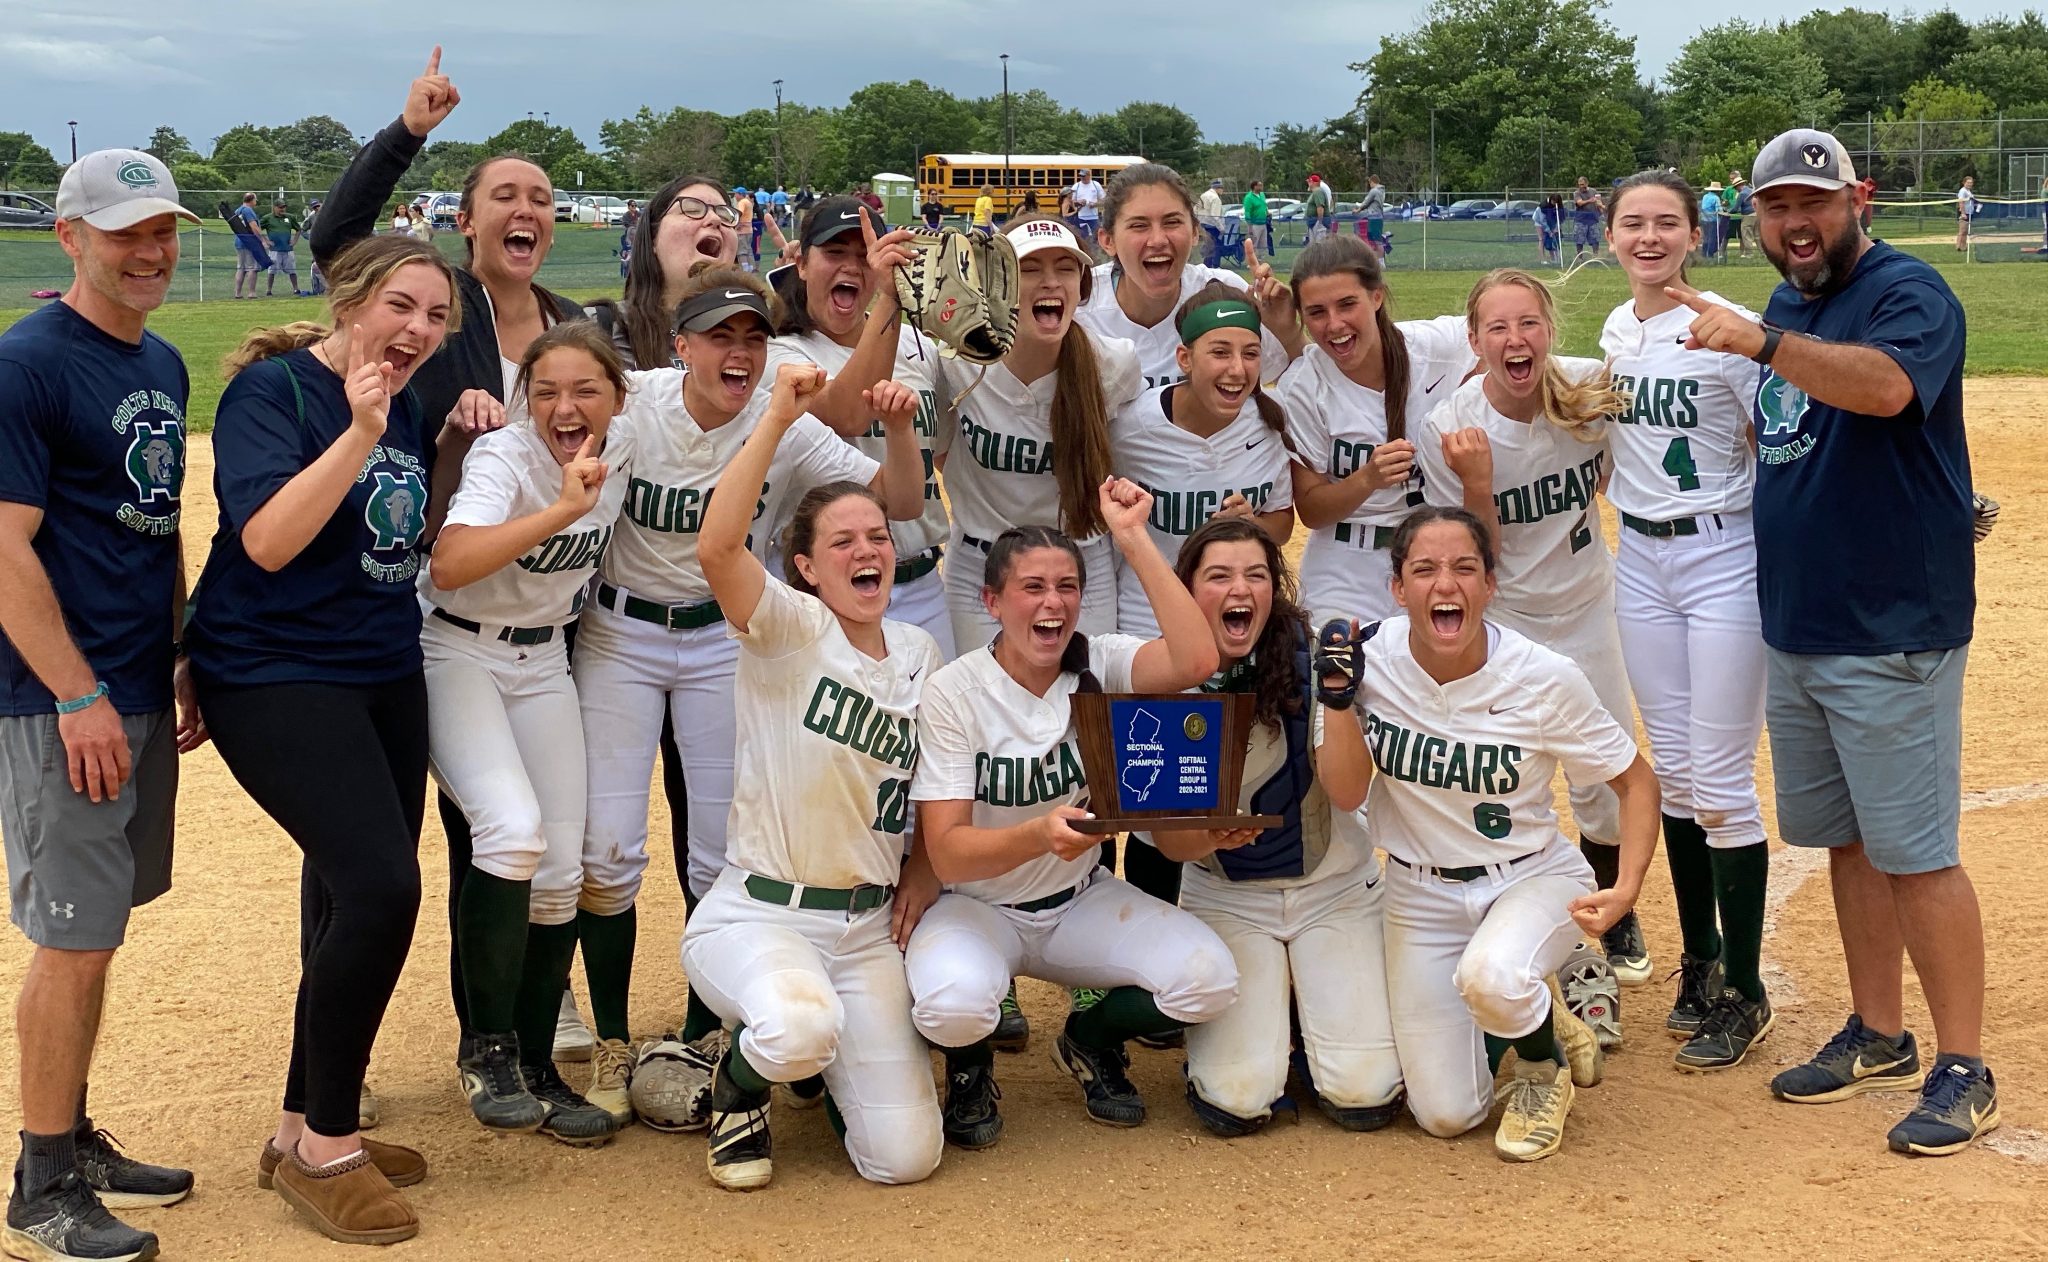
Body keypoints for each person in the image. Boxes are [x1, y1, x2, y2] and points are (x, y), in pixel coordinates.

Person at [1670, 128, 1995, 1156]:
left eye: (1811, 202)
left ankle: (1962, 1063)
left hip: (1891, 624)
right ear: (1753, 214)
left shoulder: (1907, 292)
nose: (1793, 223)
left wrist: (1760, 344)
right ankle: (1877, 1031)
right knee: (1844, 841)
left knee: (1916, 853)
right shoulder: (1784, 302)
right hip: (1800, 622)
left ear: (1856, 198)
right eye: (1774, 206)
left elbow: (1887, 389)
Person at [571, 268, 925, 1131]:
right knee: (607, 849)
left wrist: (898, 429)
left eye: (754, 336)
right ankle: (615, 1038)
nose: (739, 350)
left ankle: (710, 1034)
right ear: (680, 344)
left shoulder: (784, 417)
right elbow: (555, 425)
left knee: (717, 849)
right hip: (621, 631)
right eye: (719, 335)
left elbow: (901, 503)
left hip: (725, 634)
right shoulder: (640, 403)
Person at [311, 45, 594, 1104]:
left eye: (542, 199)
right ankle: (335, 1053)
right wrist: (407, 132)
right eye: (504, 196)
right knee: (420, 838)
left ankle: (509, 1021)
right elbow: (339, 242)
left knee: (522, 842)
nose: (527, 210)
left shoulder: (573, 325)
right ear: (466, 221)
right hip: (420, 598)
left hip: (542, 622)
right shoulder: (439, 306)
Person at [187, 234, 468, 1245]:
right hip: (271, 671)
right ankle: (330, 1148)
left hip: (381, 668)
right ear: (351, 297)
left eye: (435, 318)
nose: (417, 331)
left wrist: (446, 434)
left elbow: (399, 536)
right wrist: (357, 430)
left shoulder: (412, 404)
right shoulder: (275, 395)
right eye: (401, 306)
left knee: (342, 886)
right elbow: (265, 540)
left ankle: (296, 1125)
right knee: (383, 886)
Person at [0, 148, 200, 1262]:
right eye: (126, 231)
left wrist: (174, 654)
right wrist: (74, 689)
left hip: (129, 680)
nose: (152, 250)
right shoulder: (26, 365)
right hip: (55, 695)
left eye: (162, 228)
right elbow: (3, 544)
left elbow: (156, 525)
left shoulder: (162, 362)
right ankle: (39, 1183)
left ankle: (71, 1134)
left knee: (100, 929)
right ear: (69, 237)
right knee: (69, 939)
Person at [905, 485, 1236, 1146]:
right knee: (953, 1005)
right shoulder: (955, 691)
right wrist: (1036, 835)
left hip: (1079, 902)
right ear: (993, 602)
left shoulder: (1100, 660)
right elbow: (946, 853)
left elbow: (1198, 660)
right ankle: (969, 1066)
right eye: (1032, 587)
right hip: (978, 907)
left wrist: (1134, 537)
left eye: (1067, 587)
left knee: (1209, 982)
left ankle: (1089, 1038)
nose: (1052, 602)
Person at [681, 362, 945, 1190]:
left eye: (877, 538)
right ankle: (737, 1087)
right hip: (763, 915)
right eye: (843, 542)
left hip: (867, 932)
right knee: (798, 1025)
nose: (869, 550)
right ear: (805, 568)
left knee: (905, 1161)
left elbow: (941, 782)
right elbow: (719, 547)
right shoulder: (790, 631)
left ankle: (827, 1073)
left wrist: (928, 868)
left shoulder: (918, 652)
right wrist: (776, 420)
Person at [1333, 506, 1658, 1160]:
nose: (1444, 585)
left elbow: (1636, 783)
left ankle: (1541, 1066)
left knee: (1491, 976)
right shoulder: (1369, 657)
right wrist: (1336, 697)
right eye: (1423, 570)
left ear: (1490, 584)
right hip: (1418, 895)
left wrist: (1626, 887)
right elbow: (1345, 792)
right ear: (1398, 590)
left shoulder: (1543, 677)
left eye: (1464, 568)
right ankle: (1544, 1014)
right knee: (1446, 1115)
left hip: (1532, 877)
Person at [1411, 269, 1642, 1046]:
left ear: (1550, 327)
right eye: (1497, 330)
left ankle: (1609, 917)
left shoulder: (1586, 388)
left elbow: (1628, 473)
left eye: (1529, 324)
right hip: (1507, 621)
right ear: (1474, 344)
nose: (1517, 341)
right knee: (1512, 779)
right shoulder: (1453, 425)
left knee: (1606, 786)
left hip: (1586, 609)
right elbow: (1474, 564)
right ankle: (1531, 921)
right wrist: (1478, 482)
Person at [422, 322, 635, 1148]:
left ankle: (540, 1063)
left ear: (618, 399)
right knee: (509, 832)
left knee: (561, 873)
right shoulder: (505, 457)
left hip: (544, 662)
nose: (564, 406)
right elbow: (450, 562)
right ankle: (490, 1050)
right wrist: (559, 510)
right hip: (457, 651)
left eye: (585, 389)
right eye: (545, 391)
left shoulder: (627, 441)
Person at [1598, 171, 1773, 1067]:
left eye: (1667, 222)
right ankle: (1700, 962)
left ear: (1694, 235)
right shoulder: (1616, 329)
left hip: (1721, 554)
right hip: (1642, 558)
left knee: (1721, 780)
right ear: (1612, 236)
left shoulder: (1728, 325)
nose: (1651, 236)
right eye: (1634, 223)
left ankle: (1747, 990)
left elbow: (1778, 443)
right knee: (1671, 771)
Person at [1165, 518, 1404, 1137]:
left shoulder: (1313, 661)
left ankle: (1308, 1016)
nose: (1239, 589)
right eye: (1218, 576)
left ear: (1276, 588)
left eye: (1256, 575)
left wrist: (1338, 698)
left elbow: (1350, 791)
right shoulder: (1163, 673)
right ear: (1188, 590)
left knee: (1365, 1095)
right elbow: (1172, 844)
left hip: (1336, 889)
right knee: (1238, 1100)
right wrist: (1213, 835)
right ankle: (1279, 1019)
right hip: (1227, 894)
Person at [935, 215, 1139, 651]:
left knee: (1084, 705)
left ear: (1082, 285)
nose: (1051, 282)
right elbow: (941, 450)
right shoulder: (958, 360)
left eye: (1066, 268)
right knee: (982, 703)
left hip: (1080, 562)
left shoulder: (1113, 364)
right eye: (1029, 269)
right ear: (998, 286)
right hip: (981, 562)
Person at [765, 199, 953, 656]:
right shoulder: (780, 354)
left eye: (864, 255)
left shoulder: (916, 346)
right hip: (826, 591)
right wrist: (890, 296)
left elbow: (944, 451)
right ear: (801, 264)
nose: (853, 266)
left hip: (921, 581)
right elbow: (849, 412)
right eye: (834, 253)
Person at [1273, 235, 1475, 627]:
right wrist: (1367, 478)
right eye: (1316, 312)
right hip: (1345, 564)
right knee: (1337, 677)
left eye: (1347, 304)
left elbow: (1503, 337)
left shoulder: (1434, 348)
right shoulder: (1303, 385)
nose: (1334, 325)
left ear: (1376, 297)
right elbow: (1311, 510)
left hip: (1431, 554)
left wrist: (1479, 386)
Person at [1108, 283, 1297, 641]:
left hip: (1236, 618)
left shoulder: (1271, 423)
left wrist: (1253, 524)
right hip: (1147, 615)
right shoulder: (1131, 426)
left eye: (1251, 353)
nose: (1238, 369)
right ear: (1185, 358)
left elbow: (1283, 522)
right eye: (1220, 353)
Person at [1079, 164, 1295, 393]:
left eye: (1172, 222)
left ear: (1194, 232)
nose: (1158, 240)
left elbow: (1309, 384)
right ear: (1108, 240)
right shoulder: (1080, 302)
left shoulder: (1224, 294)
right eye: (1139, 225)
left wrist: (1288, 333)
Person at [261, 199, 304, 296]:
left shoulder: (290, 217)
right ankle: (269, 290)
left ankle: (296, 289)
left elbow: (298, 229)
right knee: (272, 270)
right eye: (280, 207)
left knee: (292, 270)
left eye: (284, 207)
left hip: (288, 249)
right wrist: (266, 241)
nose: (282, 209)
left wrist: (294, 241)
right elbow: (257, 229)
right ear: (275, 207)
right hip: (274, 250)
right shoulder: (267, 218)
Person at [234, 191, 266, 299]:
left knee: (241, 268)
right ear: (251, 200)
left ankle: (237, 293)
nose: (256, 202)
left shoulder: (238, 210)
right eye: (255, 200)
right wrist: (262, 240)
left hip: (239, 241)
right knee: (252, 268)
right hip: (249, 242)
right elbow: (254, 226)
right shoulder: (248, 210)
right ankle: (251, 293)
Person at [1571, 178, 1603, 261]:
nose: (1581, 186)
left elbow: (1598, 202)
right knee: (1579, 240)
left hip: (1593, 220)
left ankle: (1595, 257)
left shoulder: (1593, 191)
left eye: (1582, 184)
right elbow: (1579, 203)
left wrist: (1600, 209)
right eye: (1579, 184)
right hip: (1581, 220)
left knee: (1595, 239)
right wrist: (1590, 200)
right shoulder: (1577, 193)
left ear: (1587, 183)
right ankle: (1580, 258)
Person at [1197, 178, 1227, 266]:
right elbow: (1215, 216)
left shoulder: (1203, 195)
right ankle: (1215, 266)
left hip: (1202, 224)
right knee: (1215, 247)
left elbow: (1196, 210)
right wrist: (1222, 228)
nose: (1222, 190)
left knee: (1208, 246)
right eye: (1221, 188)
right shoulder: (1215, 198)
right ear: (1217, 188)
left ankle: (1207, 265)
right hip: (1212, 226)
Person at [1071, 169, 1104, 247]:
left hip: (1094, 217)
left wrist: (1095, 204)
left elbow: (1104, 200)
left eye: (1084, 176)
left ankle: (1095, 254)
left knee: (1095, 238)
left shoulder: (1096, 185)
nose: (1082, 178)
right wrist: (1079, 202)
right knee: (1083, 238)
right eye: (1081, 176)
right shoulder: (1076, 186)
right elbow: (1071, 201)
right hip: (1081, 217)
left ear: (1089, 175)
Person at [1242, 180, 1273, 259]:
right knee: (1254, 243)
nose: (1261, 187)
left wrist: (1267, 212)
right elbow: (1247, 211)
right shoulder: (1249, 198)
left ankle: (1260, 260)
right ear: (1254, 186)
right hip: (1254, 224)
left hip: (1263, 223)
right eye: (1259, 185)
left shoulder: (1262, 195)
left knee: (1263, 244)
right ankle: (1252, 261)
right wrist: (1249, 226)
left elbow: (1264, 205)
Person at [1724, 173, 1752, 259]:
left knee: (1746, 235)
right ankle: (1763, 254)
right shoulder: (1751, 190)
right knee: (1757, 236)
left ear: (1739, 185)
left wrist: (1728, 212)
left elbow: (1736, 208)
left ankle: (1749, 254)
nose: (1736, 189)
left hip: (1747, 216)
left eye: (1736, 187)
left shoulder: (1742, 194)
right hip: (1757, 214)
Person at [1360, 175, 1388, 258]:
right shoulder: (1381, 191)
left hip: (1374, 217)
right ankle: (1378, 260)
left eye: (1369, 183)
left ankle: (1380, 261)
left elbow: (1366, 202)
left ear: (1372, 181)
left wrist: (1358, 209)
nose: (1369, 185)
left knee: (1376, 241)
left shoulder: (1374, 191)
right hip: (1378, 217)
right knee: (1375, 240)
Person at [1304, 172, 1334, 243]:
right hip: (1314, 222)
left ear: (1314, 183)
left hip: (1318, 222)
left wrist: (1319, 222)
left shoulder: (1318, 191)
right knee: (1314, 243)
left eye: (1310, 181)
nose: (1308, 183)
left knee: (1320, 244)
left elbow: (1320, 207)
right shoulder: (1316, 191)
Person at [1698, 181, 1723, 262]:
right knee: (1712, 238)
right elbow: (1719, 210)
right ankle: (1710, 254)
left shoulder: (1705, 196)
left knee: (1706, 237)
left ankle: (1704, 253)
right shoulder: (1716, 198)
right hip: (1713, 220)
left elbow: (1703, 207)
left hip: (1704, 219)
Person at [1535, 195, 1563, 267]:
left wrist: (1556, 228)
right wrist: (1549, 231)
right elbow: (1542, 221)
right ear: (1551, 200)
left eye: (1556, 202)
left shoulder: (1559, 206)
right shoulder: (1543, 206)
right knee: (1542, 239)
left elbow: (1559, 218)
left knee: (1553, 239)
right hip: (1539, 222)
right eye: (1554, 202)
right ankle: (1542, 259)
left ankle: (1554, 259)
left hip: (1551, 221)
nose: (1555, 204)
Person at [1955, 174, 1977, 251]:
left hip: (1970, 212)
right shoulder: (1962, 191)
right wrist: (1963, 213)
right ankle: (1958, 246)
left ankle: (1964, 247)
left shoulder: (1969, 191)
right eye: (1968, 182)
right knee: (1962, 230)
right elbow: (1961, 202)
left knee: (1965, 231)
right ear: (1964, 183)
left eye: (1971, 183)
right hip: (1964, 213)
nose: (1970, 184)